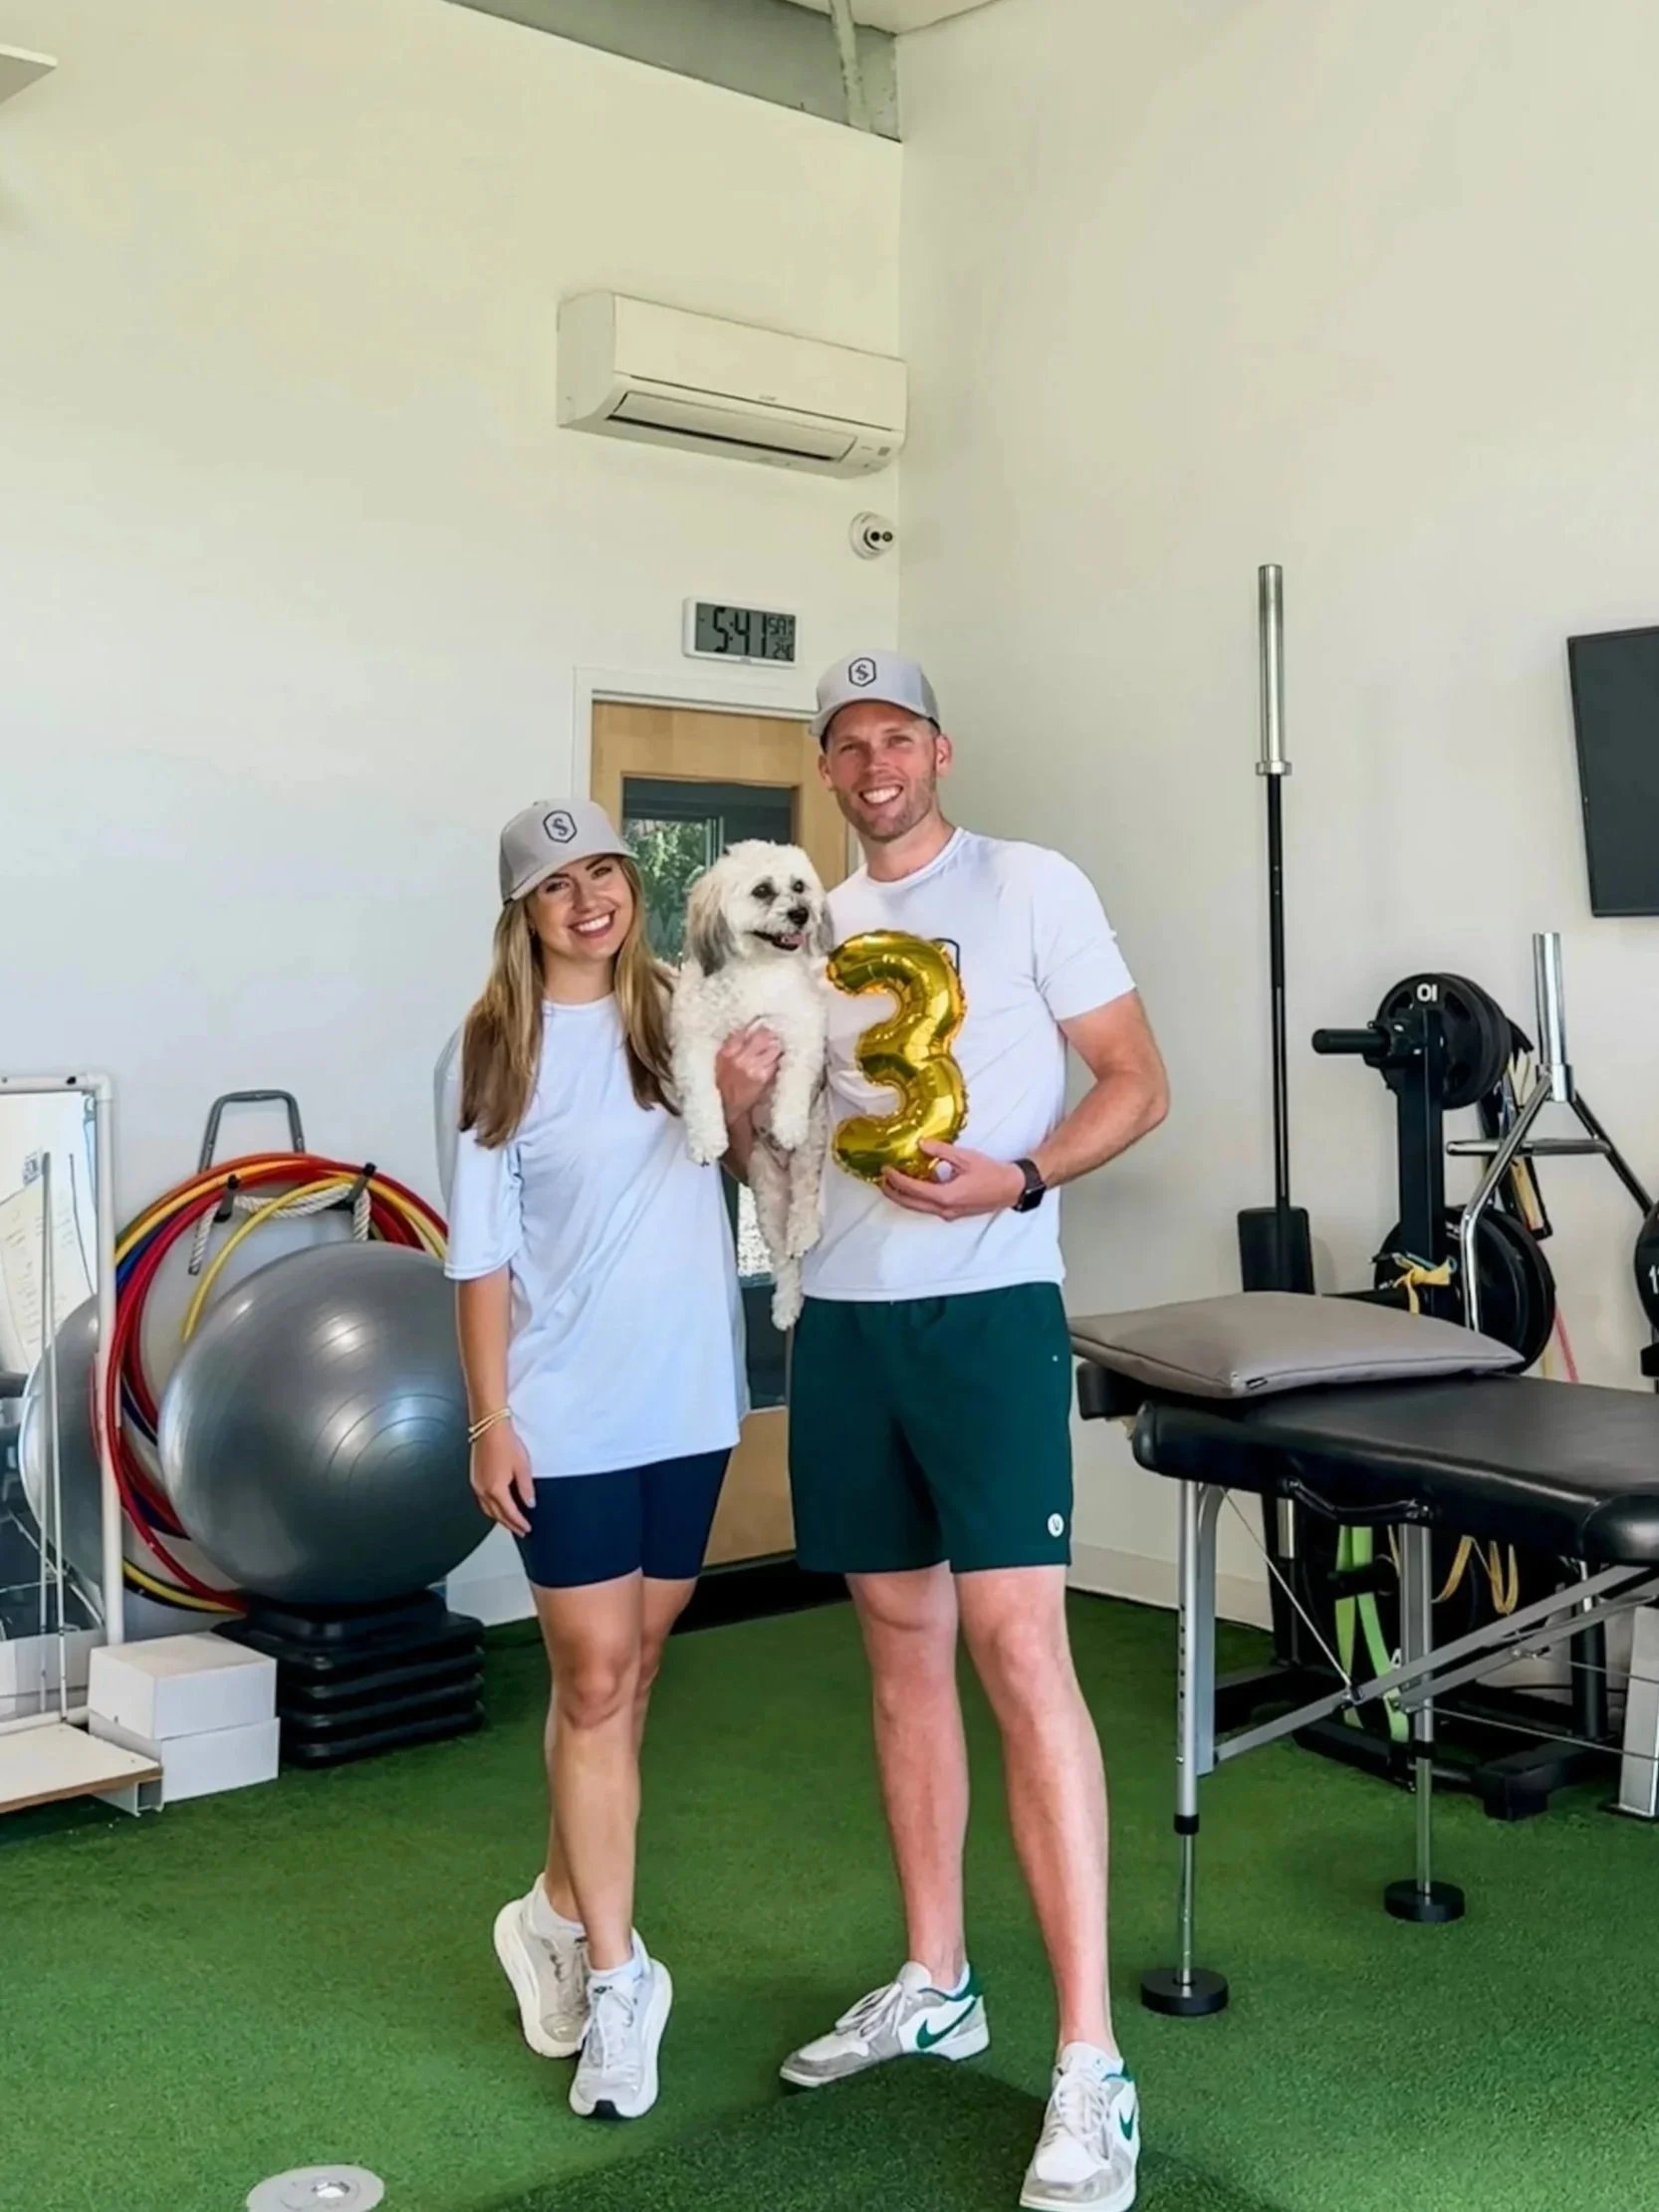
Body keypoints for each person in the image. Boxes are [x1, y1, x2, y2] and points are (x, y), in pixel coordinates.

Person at [780, 653, 1169, 2212]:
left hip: (987, 1308)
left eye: (895, 736)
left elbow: (1135, 1082)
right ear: (826, 768)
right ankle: (936, 1976)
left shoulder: (1025, 884)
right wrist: (748, 1102)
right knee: (896, 1645)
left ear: (937, 747)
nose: (873, 764)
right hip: (843, 1317)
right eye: (846, 744)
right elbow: (778, 1136)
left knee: (1019, 1651)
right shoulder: (805, 924)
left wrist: (1015, 1175)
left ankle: (1089, 2061)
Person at [441, 798, 779, 2123]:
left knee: (631, 1668)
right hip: (562, 1410)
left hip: (689, 1399)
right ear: (521, 911)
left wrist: (749, 1101)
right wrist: (490, 1416)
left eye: (605, 874)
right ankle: (619, 1976)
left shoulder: (679, 1009)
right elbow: (477, 1255)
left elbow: (745, 1166)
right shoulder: (489, 1048)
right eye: (555, 884)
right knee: (589, 1674)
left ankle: (550, 1908)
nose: (587, 900)